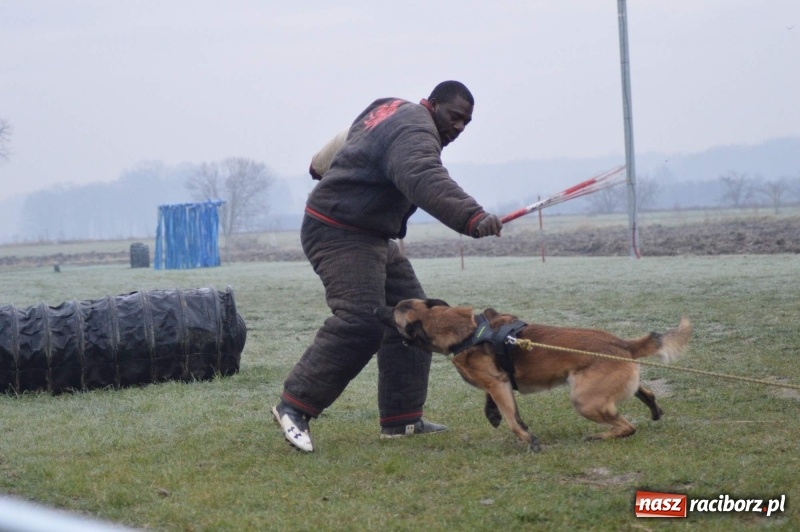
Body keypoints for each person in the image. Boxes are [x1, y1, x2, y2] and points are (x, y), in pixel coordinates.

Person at [273, 80, 503, 452]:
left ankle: (402, 419)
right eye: (455, 117)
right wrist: (472, 217)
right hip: (339, 232)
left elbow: (345, 140)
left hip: (371, 235)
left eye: (467, 123)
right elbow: (421, 176)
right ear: (433, 105)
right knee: (361, 320)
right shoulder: (416, 130)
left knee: (415, 318)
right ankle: (294, 406)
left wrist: (323, 169)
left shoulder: (391, 107)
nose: (459, 128)